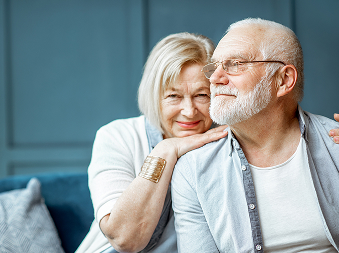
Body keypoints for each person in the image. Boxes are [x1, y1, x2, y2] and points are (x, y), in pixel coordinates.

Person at [171, 18, 339, 252]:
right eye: (214, 66)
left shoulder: (337, 145)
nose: (215, 78)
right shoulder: (194, 170)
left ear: (283, 80)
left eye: (235, 64)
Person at [75, 32, 228, 253]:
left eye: (202, 95)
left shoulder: (227, 141)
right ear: (154, 96)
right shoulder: (117, 136)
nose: (188, 111)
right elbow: (124, 239)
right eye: (173, 96)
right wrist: (166, 150)